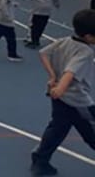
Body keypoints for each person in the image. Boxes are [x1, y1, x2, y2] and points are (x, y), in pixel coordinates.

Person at [30, 9, 95, 176]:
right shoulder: (85, 51)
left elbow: (43, 53)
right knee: (90, 130)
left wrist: (52, 76)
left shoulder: (64, 41)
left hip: (60, 99)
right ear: (89, 37)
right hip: (78, 101)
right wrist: (61, 88)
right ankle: (40, 159)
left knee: (57, 129)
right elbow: (70, 71)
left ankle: (40, 159)